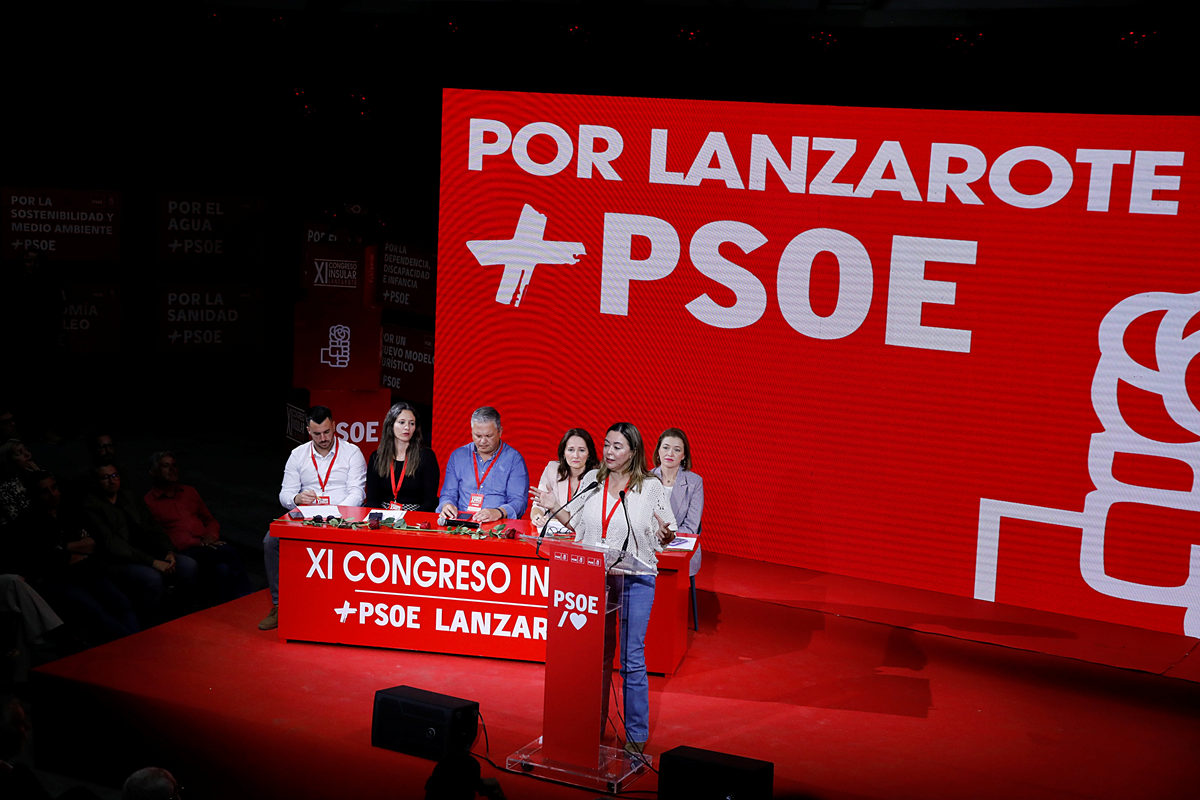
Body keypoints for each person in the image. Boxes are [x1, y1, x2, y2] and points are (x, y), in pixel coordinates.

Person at [570, 422, 676, 754]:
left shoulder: (651, 487)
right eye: (606, 445)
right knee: (596, 657)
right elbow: (575, 522)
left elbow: (666, 530)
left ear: (633, 452)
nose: (609, 452)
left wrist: (666, 535)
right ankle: (590, 724)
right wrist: (550, 508)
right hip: (595, 578)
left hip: (636, 578)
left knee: (631, 657)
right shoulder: (591, 480)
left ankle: (635, 734)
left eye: (617, 446)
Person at [264, 406, 366, 630]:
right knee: (271, 540)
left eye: (327, 432)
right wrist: (297, 498)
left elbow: (358, 493)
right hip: (306, 515)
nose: (323, 438)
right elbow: (284, 495)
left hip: (341, 517)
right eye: (317, 433)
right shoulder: (298, 455)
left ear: (334, 427)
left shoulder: (351, 452)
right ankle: (279, 605)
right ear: (308, 431)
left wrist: (335, 514)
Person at [11, 471, 138, 642]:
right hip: (57, 579)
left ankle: (137, 643)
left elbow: (96, 542)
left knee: (122, 602)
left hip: (88, 569)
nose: (53, 494)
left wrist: (62, 547)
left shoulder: (71, 509)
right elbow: (45, 561)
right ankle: (135, 645)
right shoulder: (27, 521)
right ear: (35, 495)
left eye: (54, 488)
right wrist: (71, 552)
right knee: (94, 611)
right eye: (45, 491)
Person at [82, 464, 199, 624]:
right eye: (106, 477)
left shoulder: (127, 496)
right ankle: (150, 624)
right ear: (96, 481)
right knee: (152, 578)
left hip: (149, 552)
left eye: (115, 476)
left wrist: (168, 551)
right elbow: (114, 545)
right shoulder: (92, 506)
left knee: (188, 566)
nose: (112, 481)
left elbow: (153, 525)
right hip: (119, 560)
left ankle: (182, 616)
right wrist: (153, 562)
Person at [143, 452, 252, 605]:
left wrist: (212, 534)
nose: (172, 469)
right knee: (231, 552)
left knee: (222, 570)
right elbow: (159, 536)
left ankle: (227, 609)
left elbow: (210, 520)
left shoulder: (189, 492)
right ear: (153, 472)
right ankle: (247, 597)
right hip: (182, 551)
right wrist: (196, 543)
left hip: (205, 546)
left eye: (174, 465)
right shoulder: (149, 502)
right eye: (166, 466)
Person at [437, 407, 528, 524]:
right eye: (478, 436)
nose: (483, 441)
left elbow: (519, 502)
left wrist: (498, 512)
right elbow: (448, 494)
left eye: (488, 436)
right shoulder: (458, 456)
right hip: (461, 523)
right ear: (471, 432)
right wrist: (447, 504)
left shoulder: (514, 459)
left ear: (500, 432)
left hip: (498, 525)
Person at [364, 402, 441, 512]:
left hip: (416, 517)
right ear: (391, 424)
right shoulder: (376, 457)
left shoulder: (426, 456)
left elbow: (429, 500)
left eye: (411, 423)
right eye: (401, 422)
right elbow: (372, 499)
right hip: (383, 516)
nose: (407, 428)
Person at [650, 428, 705, 577]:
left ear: (683, 455)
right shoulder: (644, 479)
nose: (670, 453)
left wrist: (669, 535)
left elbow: (691, 527)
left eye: (676, 449)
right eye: (666, 447)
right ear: (659, 451)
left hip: (679, 543)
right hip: (649, 542)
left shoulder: (694, 483)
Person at [530, 428, 599, 528]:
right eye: (571, 450)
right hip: (554, 534)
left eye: (581, 450)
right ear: (563, 453)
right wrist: (538, 517)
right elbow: (538, 505)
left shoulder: (598, 477)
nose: (576, 455)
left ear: (589, 454)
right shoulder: (552, 469)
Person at [0, 440, 39, 529]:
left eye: (26, 450)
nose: (27, 454)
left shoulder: (30, 476)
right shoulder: (6, 489)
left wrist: (40, 475)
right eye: (19, 453)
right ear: (9, 461)